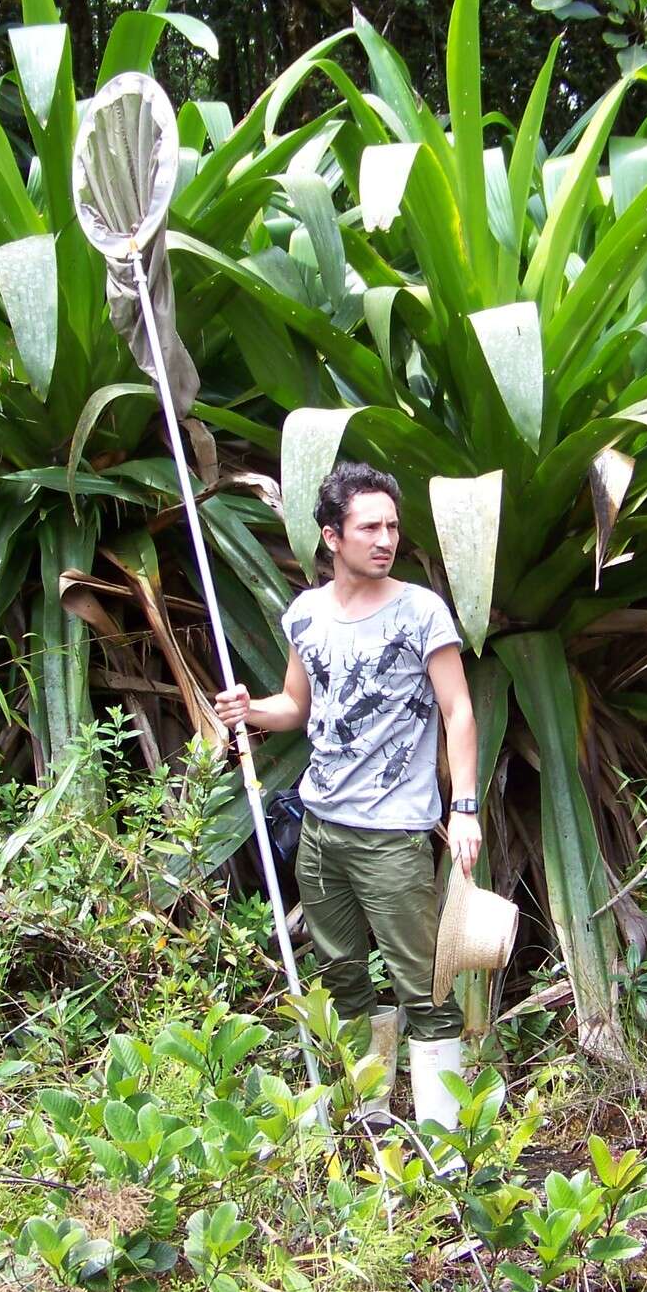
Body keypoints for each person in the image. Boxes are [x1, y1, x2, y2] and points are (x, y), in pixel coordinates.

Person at [214, 461, 481, 1130]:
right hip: (323, 828)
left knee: (427, 983)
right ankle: (371, 1113)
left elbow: (460, 712)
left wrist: (466, 808)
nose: (385, 538)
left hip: (394, 834)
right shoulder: (305, 615)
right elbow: (296, 708)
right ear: (333, 536)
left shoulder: (422, 611)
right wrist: (249, 710)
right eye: (369, 527)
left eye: (392, 525)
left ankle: (447, 1143)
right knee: (342, 979)